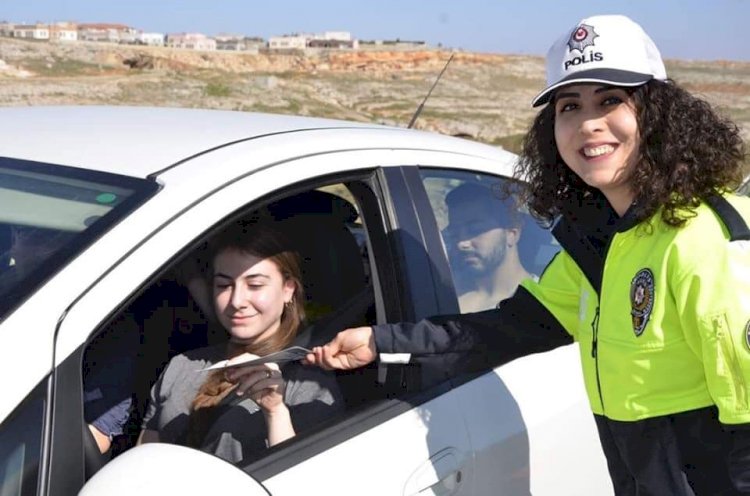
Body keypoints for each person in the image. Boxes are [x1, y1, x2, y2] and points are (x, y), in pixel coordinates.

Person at [306, 14, 750, 495]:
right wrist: (380, 341)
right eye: (569, 107)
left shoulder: (705, 243)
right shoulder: (600, 247)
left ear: (658, 115)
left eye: (610, 101)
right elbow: (498, 331)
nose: (589, 124)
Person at [139, 221, 343, 464]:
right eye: (224, 285)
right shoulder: (181, 365)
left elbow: (304, 480)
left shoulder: (310, 383)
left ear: (288, 290)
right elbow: (142, 462)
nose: (237, 300)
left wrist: (275, 412)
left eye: (255, 285)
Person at [443, 182, 535, 312]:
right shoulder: (447, 298)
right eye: (454, 234)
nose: (461, 243)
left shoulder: (542, 300)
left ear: (512, 233)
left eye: (475, 230)